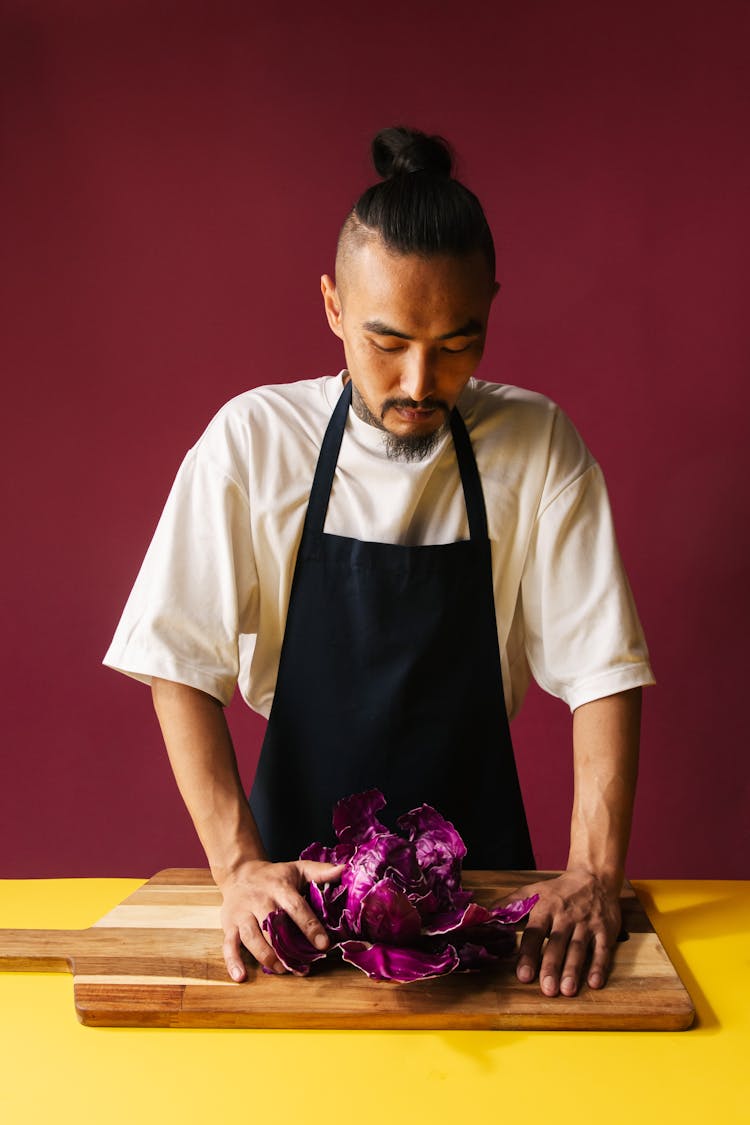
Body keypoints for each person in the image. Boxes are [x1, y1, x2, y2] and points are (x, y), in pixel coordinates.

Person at [104, 126, 654, 998]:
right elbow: (175, 659)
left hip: (482, 891)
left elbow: (604, 671)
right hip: (300, 892)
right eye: (388, 341)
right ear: (332, 306)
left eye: (458, 344)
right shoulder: (254, 441)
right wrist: (239, 865)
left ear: (493, 306)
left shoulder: (538, 444)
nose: (420, 381)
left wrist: (594, 870)